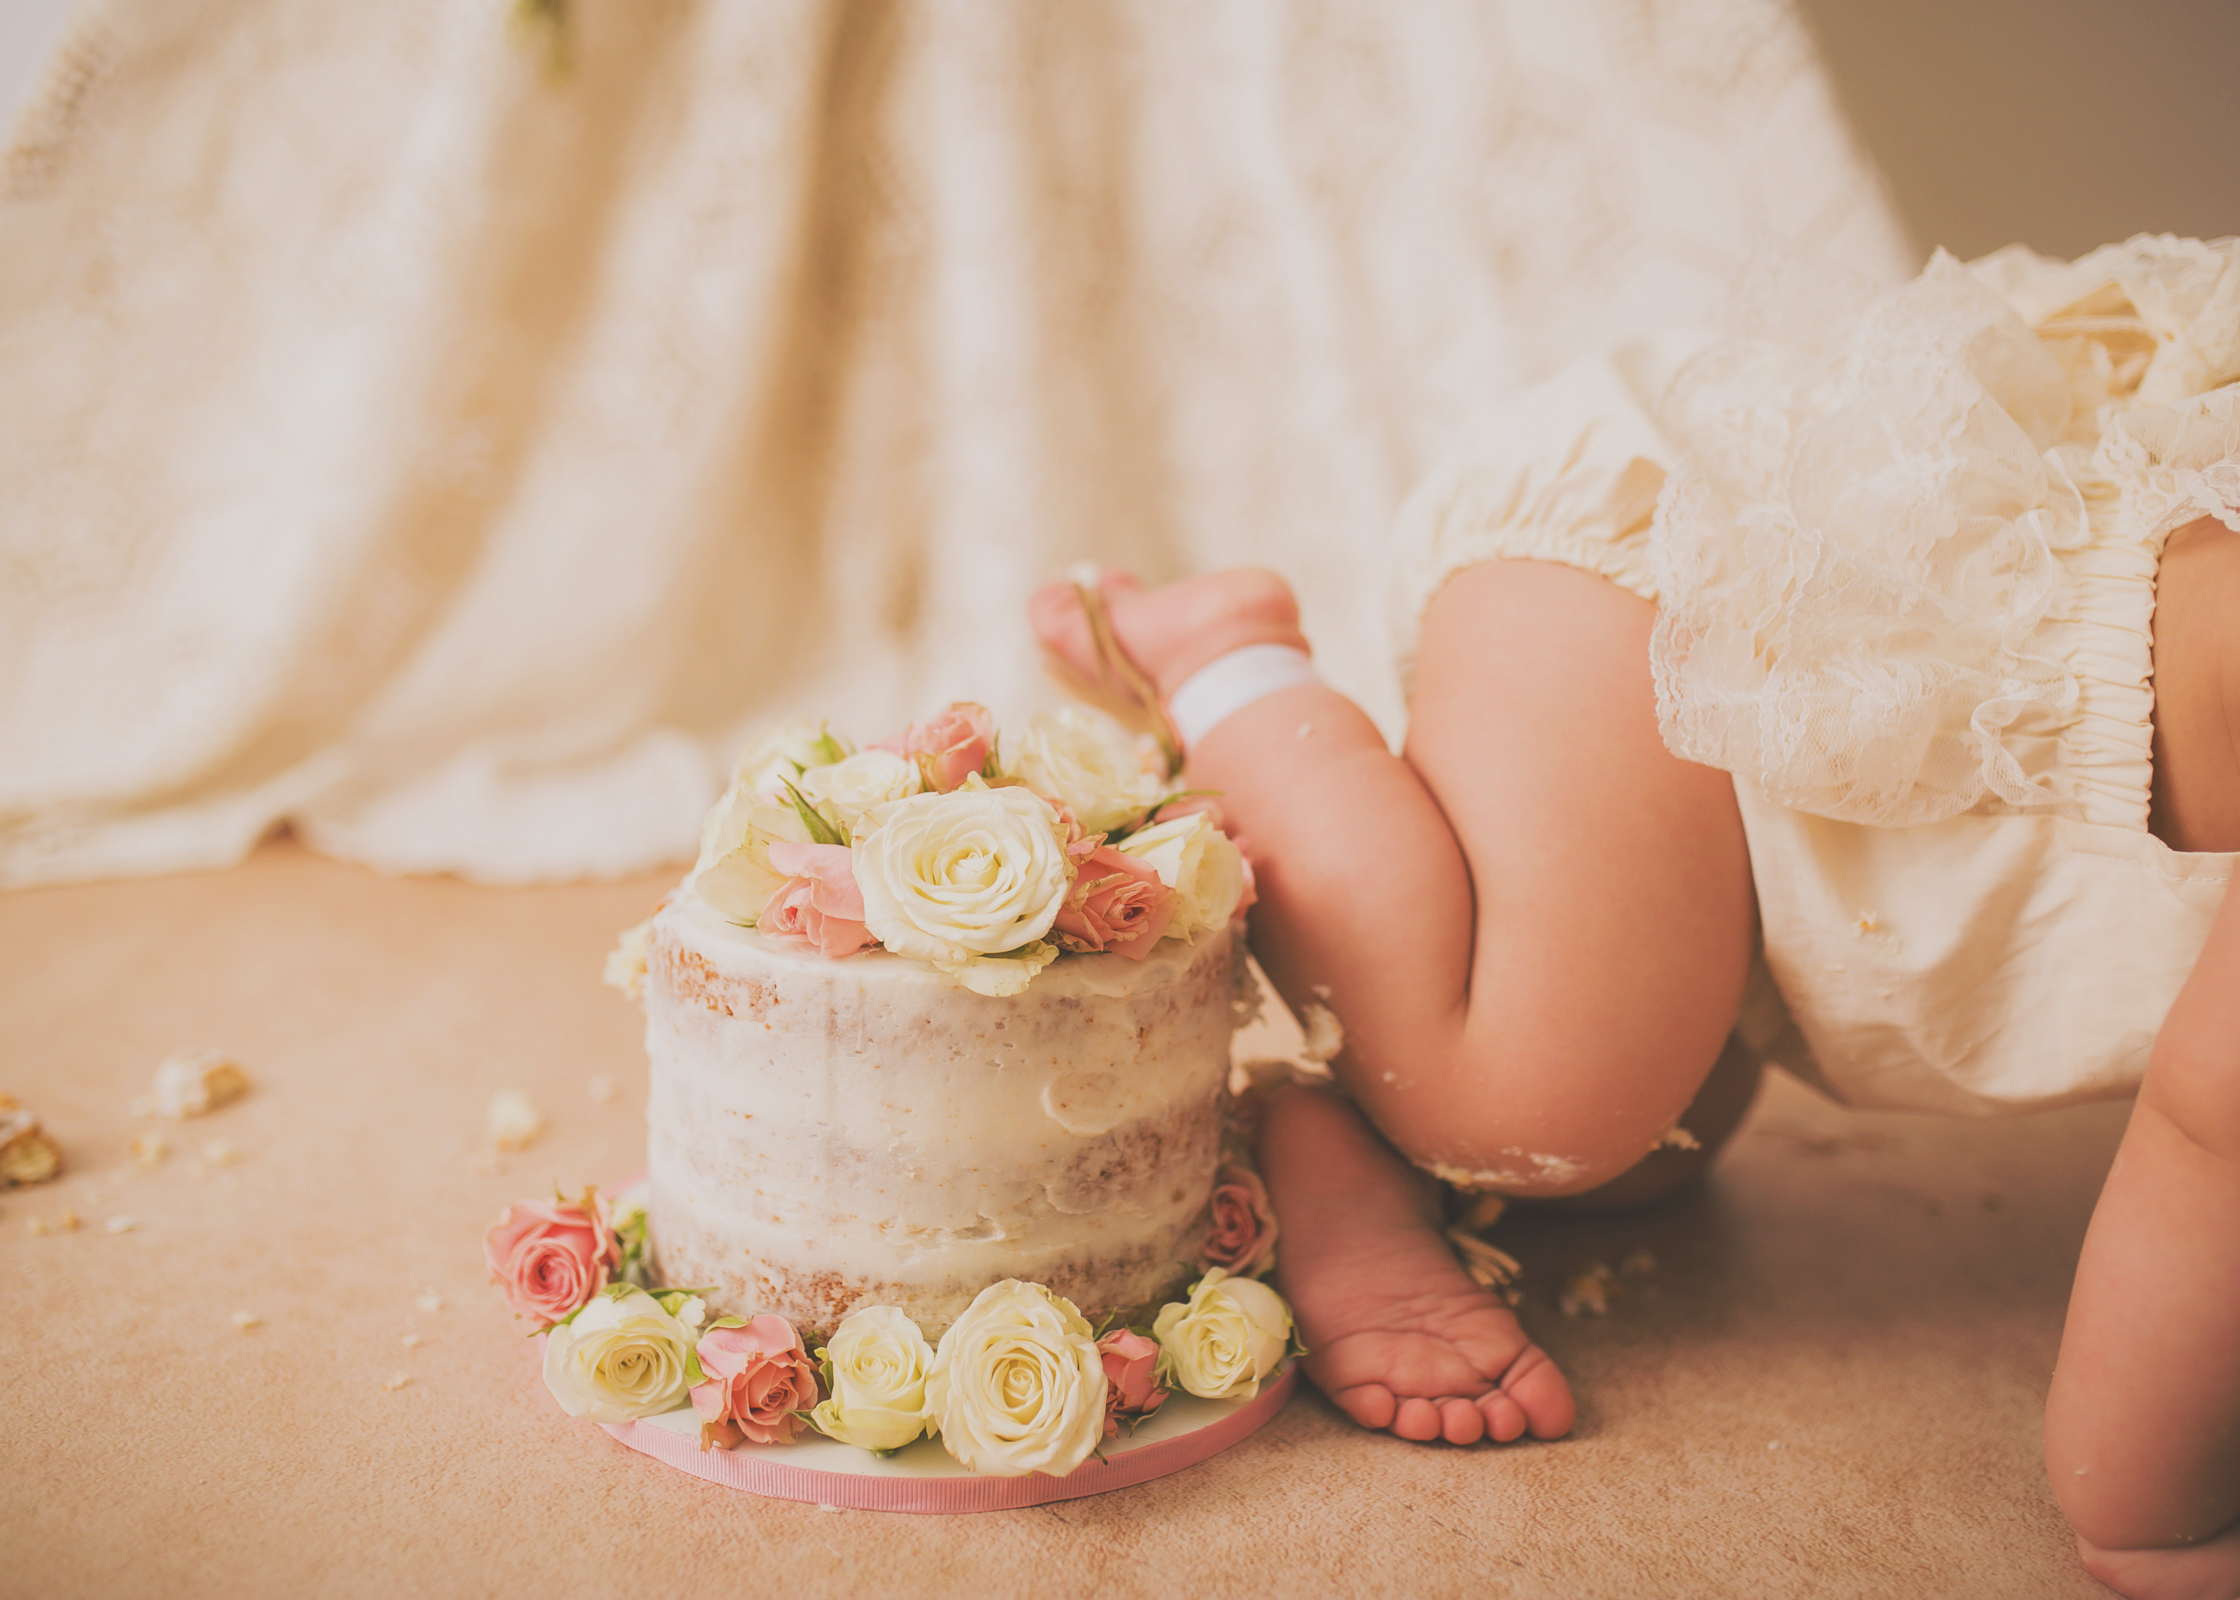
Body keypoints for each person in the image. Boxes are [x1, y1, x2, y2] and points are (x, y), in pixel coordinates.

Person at [1031, 235, 2240, 1600]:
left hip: (1835, 792)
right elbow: (2219, 1130)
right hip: (1683, 596)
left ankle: (1350, 1155)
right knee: (1529, 1086)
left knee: (1638, 1153)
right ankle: (1223, 661)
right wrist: (2162, 1524)